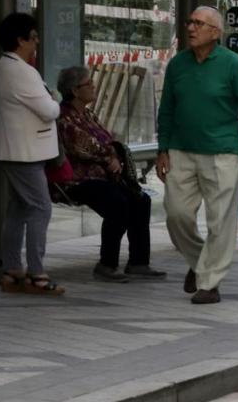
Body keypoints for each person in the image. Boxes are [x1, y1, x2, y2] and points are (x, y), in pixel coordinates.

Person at [156, 6, 238, 305]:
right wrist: (162, 149)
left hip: (222, 153)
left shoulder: (232, 64)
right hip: (181, 150)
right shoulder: (178, 65)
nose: (191, 27)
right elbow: (166, 109)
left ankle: (210, 283)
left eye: (199, 23)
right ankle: (200, 262)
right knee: (176, 215)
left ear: (215, 33)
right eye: (190, 22)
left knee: (220, 221)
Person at [53, 66, 166, 282]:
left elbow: (107, 139)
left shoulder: (87, 114)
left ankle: (138, 262)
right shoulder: (65, 117)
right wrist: (108, 158)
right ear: (75, 90)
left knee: (140, 200)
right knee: (118, 203)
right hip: (78, 179)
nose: (94, 86)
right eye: (89, 83)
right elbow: (82, 145)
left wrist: (113, 156)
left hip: (103, 176)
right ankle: (107, 264)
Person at [0, 12, 63, 295]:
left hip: (14, 150)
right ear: (20, 40)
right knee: (40, 207)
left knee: (20, 208)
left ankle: (12, 269)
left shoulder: (3, 67)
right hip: (26, 153)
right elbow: (50, 110)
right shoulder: (22, 71)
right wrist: (55, 99)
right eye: (33, 38)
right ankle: (36, 273)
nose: (36, 43)